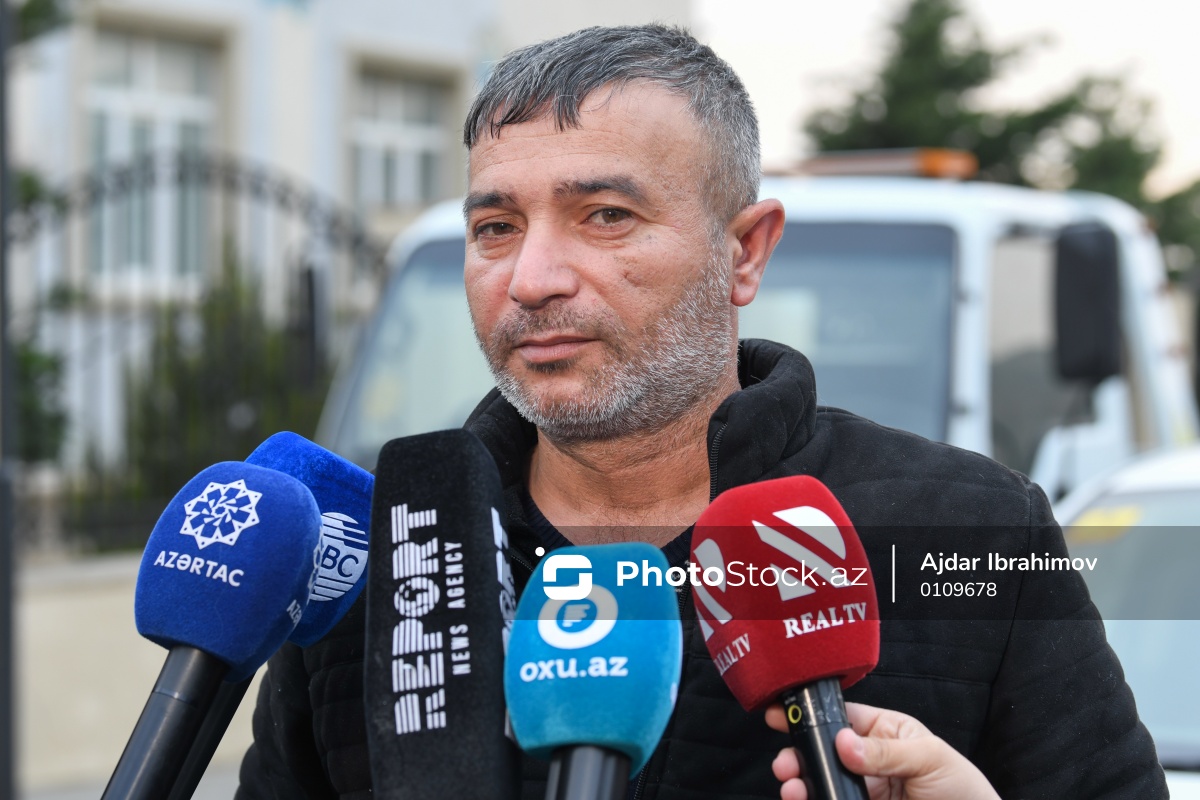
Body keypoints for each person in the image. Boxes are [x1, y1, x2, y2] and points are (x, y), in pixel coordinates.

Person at [236, 24, 1167, 799]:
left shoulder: (975, 527)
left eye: (605, 215)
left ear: (745, 252)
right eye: (496, 229)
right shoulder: (389, 555)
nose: (532, 278)